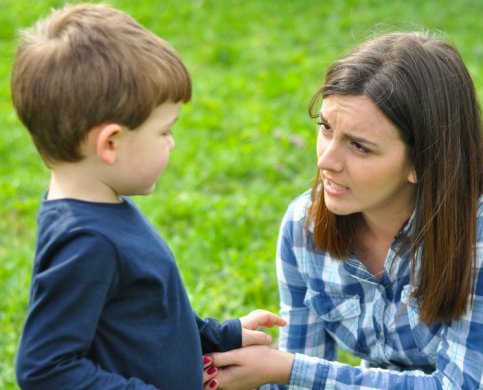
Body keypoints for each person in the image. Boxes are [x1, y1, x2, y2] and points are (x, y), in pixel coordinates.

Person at [205, 31, 483, 389]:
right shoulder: (303, 227)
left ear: (423, 162)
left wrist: (287, 369)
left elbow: (462, 384)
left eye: (359, 147)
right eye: (325, 128)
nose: (326, 161)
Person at [12, 4, 285, 389]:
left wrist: (220, 335)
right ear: (111, 143)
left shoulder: (101, 207)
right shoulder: (88, 243)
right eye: (164, 131)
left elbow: (143, 313)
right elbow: (44, 368)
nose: (172, 143)